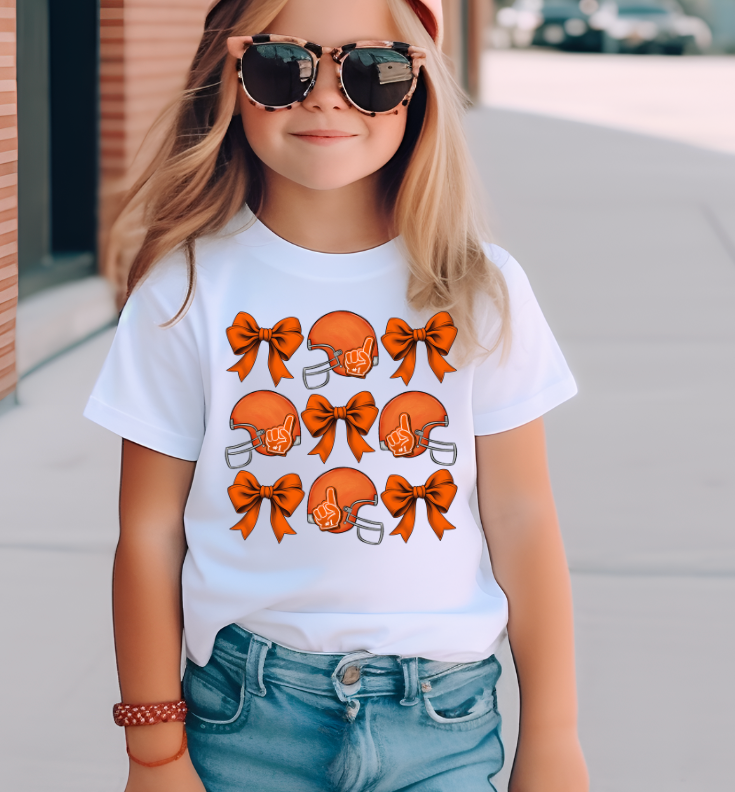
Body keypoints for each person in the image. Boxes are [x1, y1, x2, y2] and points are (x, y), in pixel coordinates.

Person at [84, 0, 590, 790]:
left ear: (418, 86)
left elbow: (522, 517)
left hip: (442, 722)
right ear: (231, 76)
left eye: (371, 70)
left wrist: (554, 738)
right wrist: (153, 751)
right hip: (247, 720)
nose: (325, 96)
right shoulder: (184, 291)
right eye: (281, 66)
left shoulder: (480, 287)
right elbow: (149, 533)